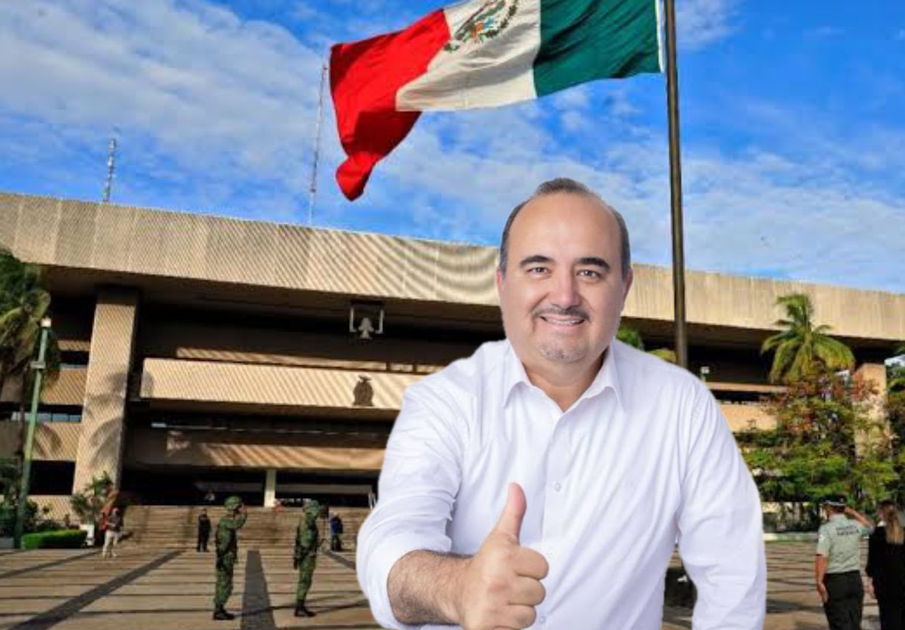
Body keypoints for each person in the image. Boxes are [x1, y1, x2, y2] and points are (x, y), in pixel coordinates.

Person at [355, 178, 766, 630]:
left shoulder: (683, 407)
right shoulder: (445, 401)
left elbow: (733, 579)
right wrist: (457, 588)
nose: (565, 296)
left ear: (625, 286)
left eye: (590, 272)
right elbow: (392, 541)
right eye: (538, 269)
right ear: (502, 284)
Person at [814, 497, 874, 630]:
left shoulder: (826, 529)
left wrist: (819, 581)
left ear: (829, 508)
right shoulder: (856, 525)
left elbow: (822, 556)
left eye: (825, 507)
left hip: (835, 581)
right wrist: (853, 513)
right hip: (854, 580)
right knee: (854, 622)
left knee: (838, 623)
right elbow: (871, 529)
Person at [865, 501, 905, 630]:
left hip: (885, 586)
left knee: (889, 621)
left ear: (882, 513)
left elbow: (872, 562)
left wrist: (870, 582)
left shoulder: (877, 534)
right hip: (904, 585)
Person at [213, 496, 247, 621]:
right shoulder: (226, 521)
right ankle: (218, 610)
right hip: (225, 558)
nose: (240, 509)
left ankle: (220, 609)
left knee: (225, 584)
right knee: (225, 584)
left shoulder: (226, 520)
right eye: (238, 507)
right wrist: (244, 514)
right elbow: (237, 525)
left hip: (226, 558)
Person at [293, 500, 322, 617]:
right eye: (316, 510)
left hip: (304, 555)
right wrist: (308, 552)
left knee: (304, 581)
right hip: (307, 557)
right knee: (305, 581)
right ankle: (300, 607)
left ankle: (300, 605)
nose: (318, 513)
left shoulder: (306, 520)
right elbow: (306, 542)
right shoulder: (309, 522)